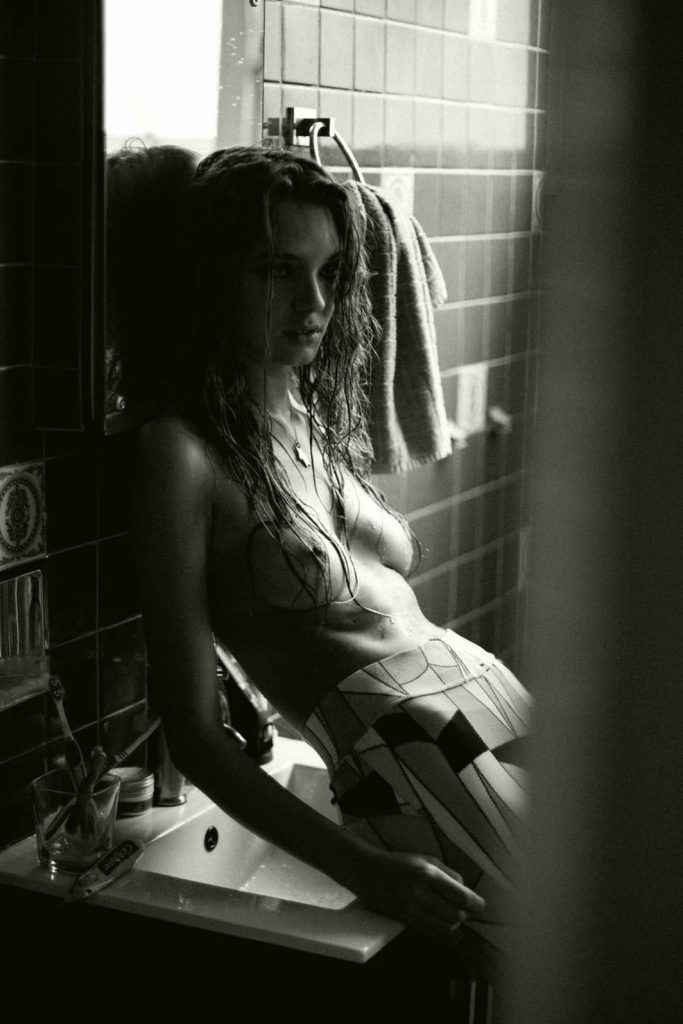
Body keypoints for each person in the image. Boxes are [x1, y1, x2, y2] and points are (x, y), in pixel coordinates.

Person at [115, 144, 531, 973]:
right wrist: (359, 866)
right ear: (211, 277)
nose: (315, 303)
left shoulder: (307, 416)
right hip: (413, 765)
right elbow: (193, 731)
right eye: (277, 271)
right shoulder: (180, 453)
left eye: (329, 272)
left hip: (496, 705)